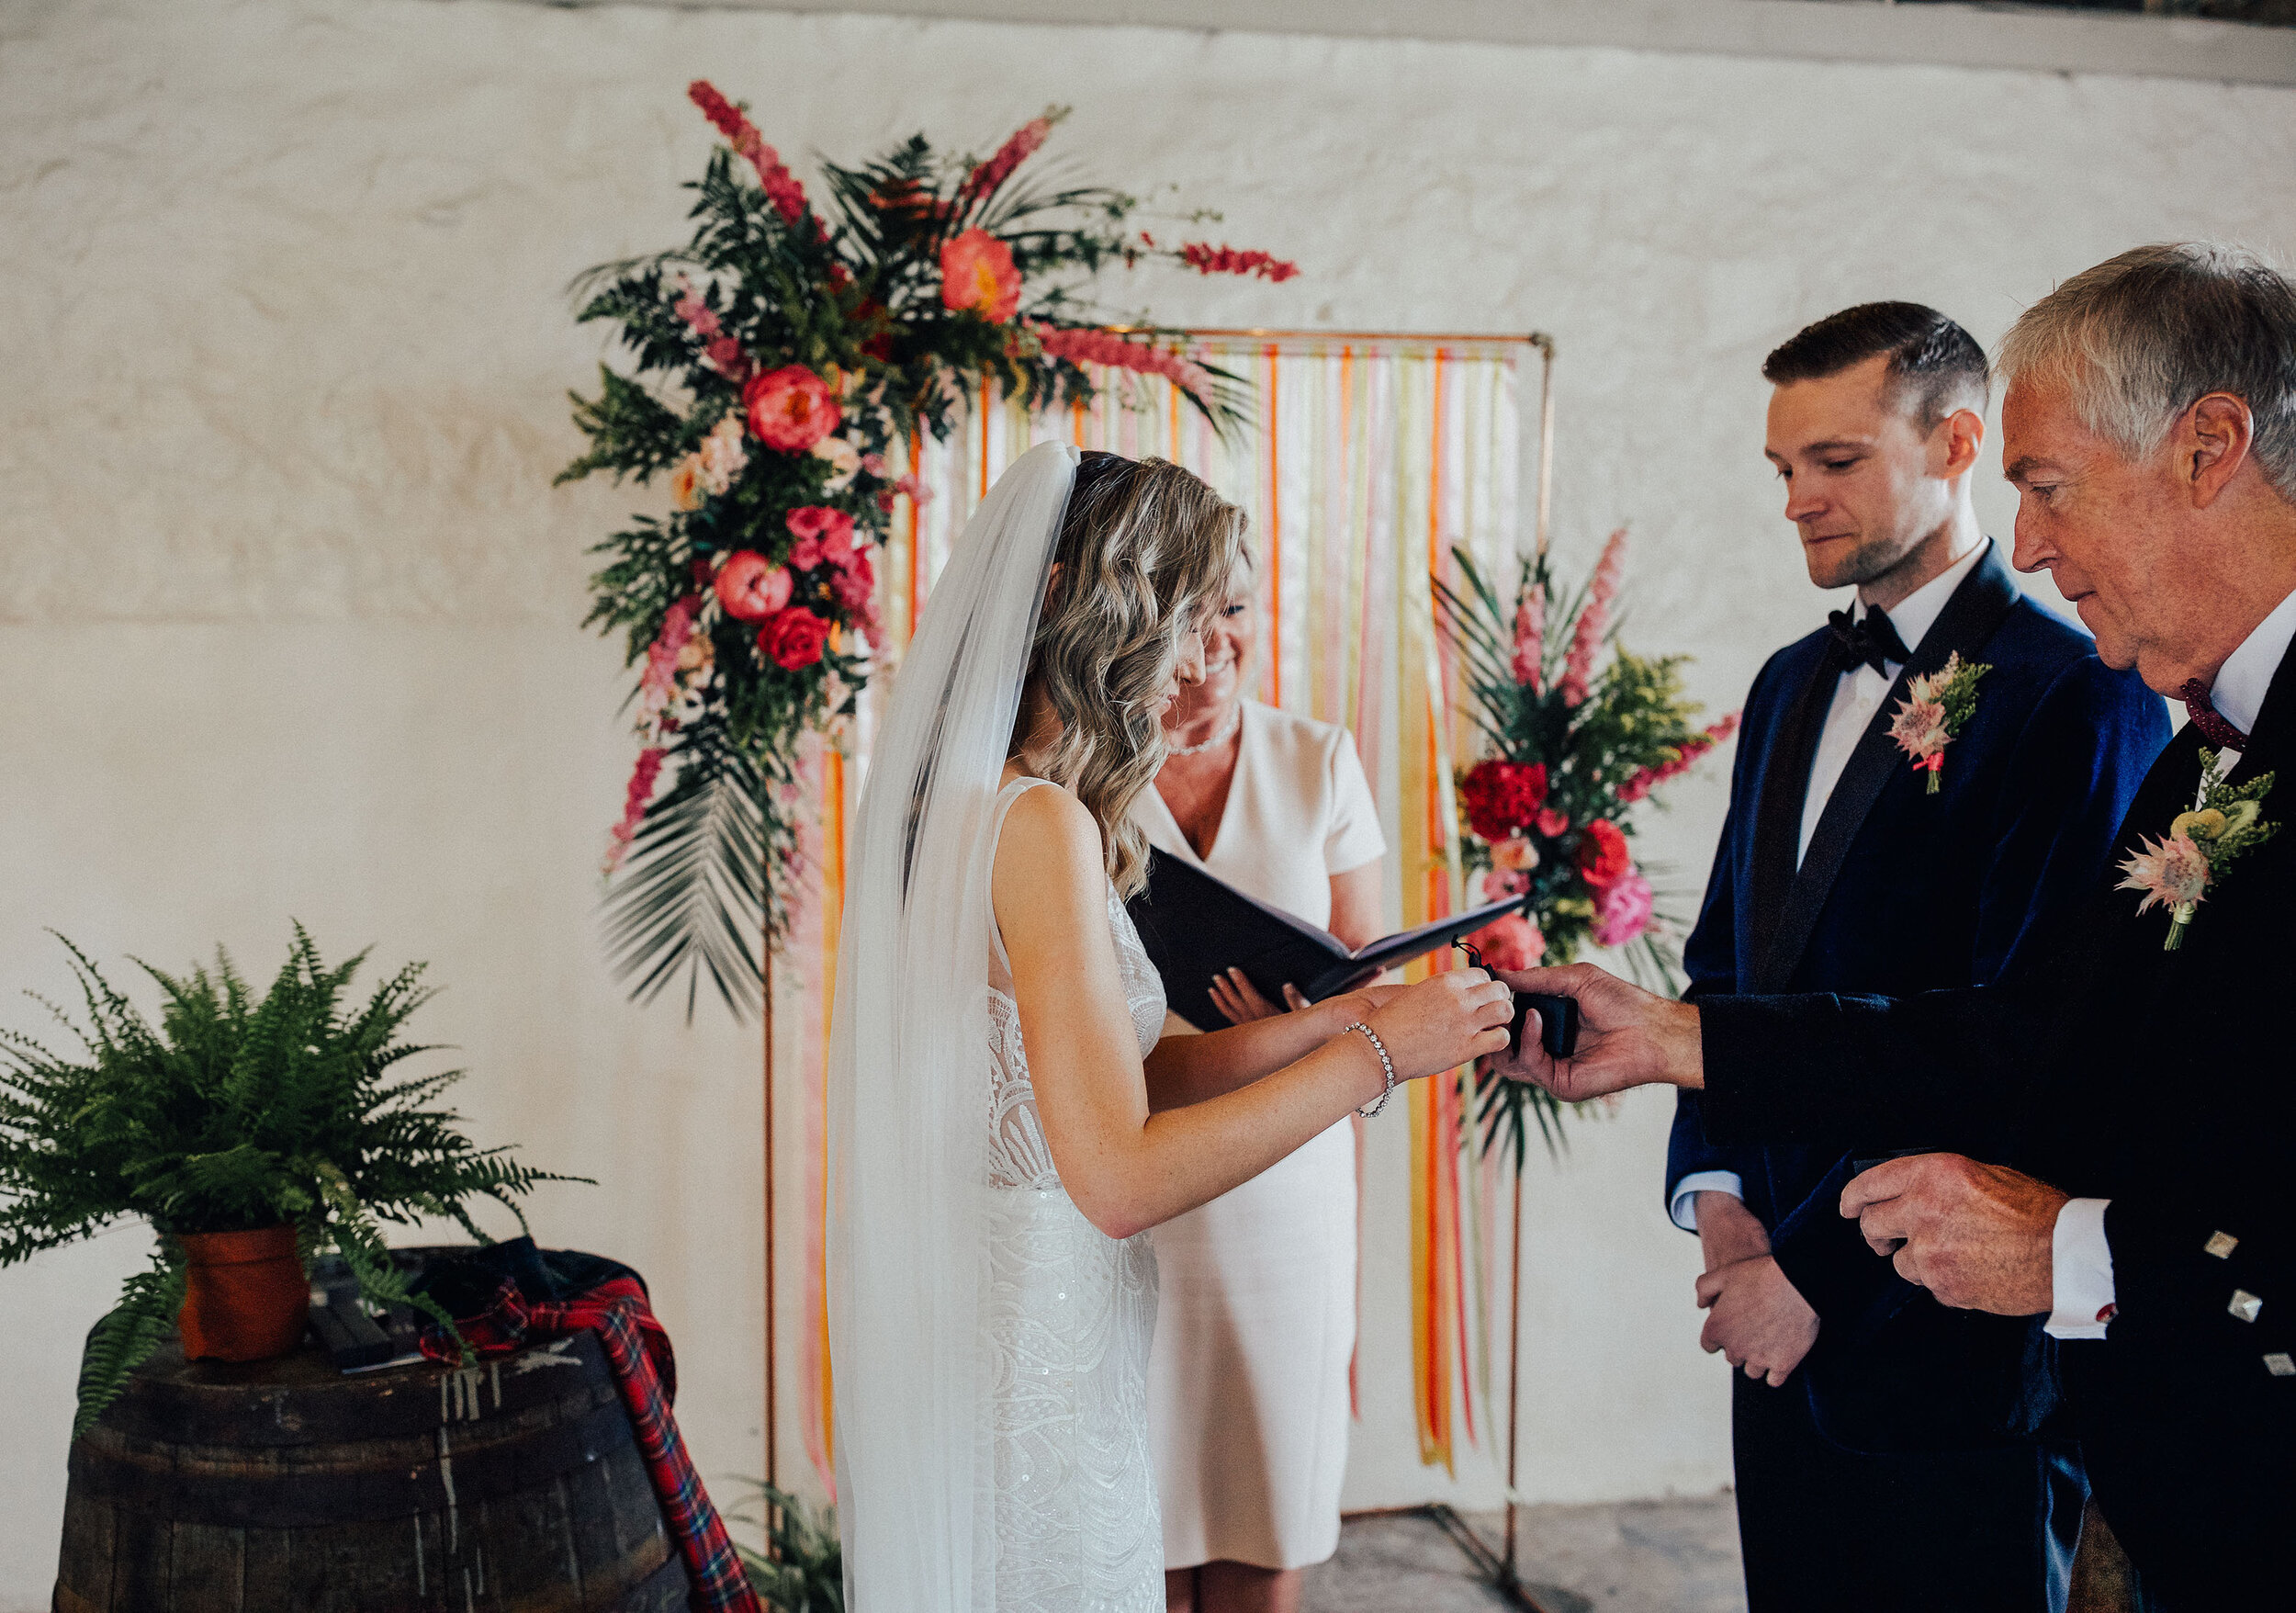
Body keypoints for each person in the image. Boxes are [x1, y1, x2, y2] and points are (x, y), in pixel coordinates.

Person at [1496, 243, 2296, 1607]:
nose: (2031, 541)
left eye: (2048, 487)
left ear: (2211, 444)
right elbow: (2025, 1039)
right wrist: (1685, 1044)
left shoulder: (2085, 699)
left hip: (2010, 1388)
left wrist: (2072, 1251)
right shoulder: (2203, 755)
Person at [828, 443, 1514, 1613]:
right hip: (1032, 1343)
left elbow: (1122, 1072)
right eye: (1188, 616)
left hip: (1013, 1313)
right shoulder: (1037, 822)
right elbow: (1119, 1176)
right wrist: (1382, 1056)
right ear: (1090, 607)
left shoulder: (963, 793)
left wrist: (1332, 1021)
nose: (1208, 657)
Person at [1666, 301, 2167, 1613]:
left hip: (1944, 1340)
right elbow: (1721, 967)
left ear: (1957, 443)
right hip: (1767, 1319)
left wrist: (1809, 1281)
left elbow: (2027, 1041)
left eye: (1834, 462)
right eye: (1782, 470)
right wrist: (1719, 1201)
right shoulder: (1784, 683)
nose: (1797, 502)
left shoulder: (2079, 690)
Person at [1132, 552, 1386, 1613]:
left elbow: (1367, 976)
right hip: (1132, 1183)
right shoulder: (1074, 777)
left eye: (1235, 607)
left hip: (1289, 1187)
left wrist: (1308, 1022)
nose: (1218, 640)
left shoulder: (1318, 758)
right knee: (1136, 1522)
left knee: (1263, 1506)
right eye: (1189, 618)